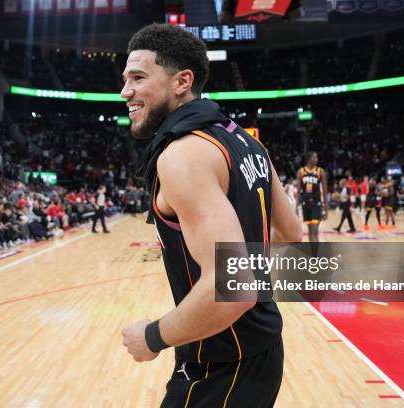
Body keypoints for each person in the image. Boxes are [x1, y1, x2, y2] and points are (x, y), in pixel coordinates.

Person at [119, 24, 301, 408]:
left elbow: (233, 288)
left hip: (220, 364)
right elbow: (293, 235)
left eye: (138, 78)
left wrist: (152, 336)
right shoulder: (249, 143)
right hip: (264, 349)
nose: (126, 92)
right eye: (125, 80)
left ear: (182, 81)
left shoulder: (183, 154)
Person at [296, 152, 328, 242]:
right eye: (314, 157)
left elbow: (325, 191)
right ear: (309, 159)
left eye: (316, 157)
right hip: (305, 203)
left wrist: (326, 208)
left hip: (316, 203)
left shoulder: (320, 171)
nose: (316, 159)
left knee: (315, 230)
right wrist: (296, 207)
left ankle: (315, 255)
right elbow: (298, 191)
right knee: (310, 231)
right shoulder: (301, 171)